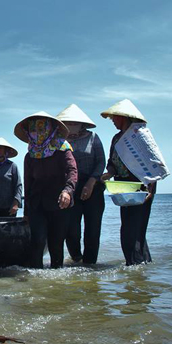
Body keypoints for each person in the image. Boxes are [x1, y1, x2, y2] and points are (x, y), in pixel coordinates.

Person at [15, 112, 77, 269]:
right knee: (38, 240)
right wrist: (27, 212)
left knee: (56, 242)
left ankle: (55, 281)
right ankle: (36, 280)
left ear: (50, 130)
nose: (38, 134)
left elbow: (72, 171)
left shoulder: (63, 149)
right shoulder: (30, 155)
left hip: (59, 203)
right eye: (34, 130)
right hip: (37, 204)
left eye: (42, 129)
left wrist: (68, 190)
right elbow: (28, 184)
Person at [100, 99, 157, 266]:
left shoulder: (140, 137)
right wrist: (109, 173)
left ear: (123, 118)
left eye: (114, 118)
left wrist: (150, 190)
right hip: (123, 186)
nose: (113, 122)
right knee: (128, 227)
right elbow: (112, 161)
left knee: (135, 230)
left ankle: (135, 266)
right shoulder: (116, 139)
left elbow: (152, 163)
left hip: (142, 186)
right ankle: (139, 265)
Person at [57, 104, 106, 265]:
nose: (70, 126)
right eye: (67, 123)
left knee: (92, 229)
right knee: (71, 229)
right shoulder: (59, 142)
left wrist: (92, 182)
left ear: (81, 124)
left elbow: (101, 162)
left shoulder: (93, 138)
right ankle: (76, 259)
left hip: (93, 185)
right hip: (70, 187)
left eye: (73, 123)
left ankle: (90, 264)